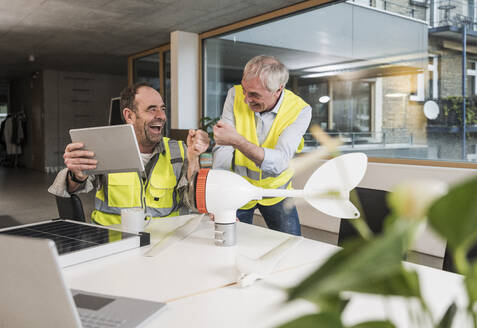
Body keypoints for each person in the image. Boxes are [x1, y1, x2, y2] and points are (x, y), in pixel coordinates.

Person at [49, 82, 210, 225]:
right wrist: (76, 175)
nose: (161, 116)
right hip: (113, 243)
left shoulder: (179, 150)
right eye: (152, 109)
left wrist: (193, 157)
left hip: (165, 242)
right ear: (129, 116)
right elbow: (67, 190)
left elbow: (193, 201)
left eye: (162, 109)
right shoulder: (106, 148)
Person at [212, 55, 311, 236]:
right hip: (238, 189)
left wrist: (237, 140)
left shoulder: (300, 110)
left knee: (290, 247)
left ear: (278, 89)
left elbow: (279, 163)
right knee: (231, 244)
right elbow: (224, 147)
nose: (246, 99)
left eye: (254, 95)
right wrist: (220, 193)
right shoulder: (234, 95)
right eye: (244, 90)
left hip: (277, 192)